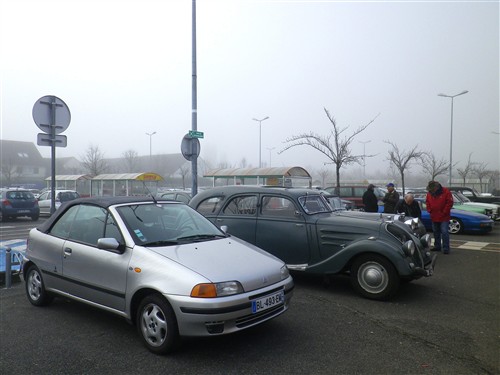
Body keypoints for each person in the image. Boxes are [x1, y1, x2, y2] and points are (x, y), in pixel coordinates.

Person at [426, 180, 453, 254]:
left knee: (444, 232)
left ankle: (446, 248)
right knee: (435, 232)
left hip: (444, 217)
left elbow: (449, 203)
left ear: (437, 187)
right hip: (434, 215)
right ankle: (437, 246)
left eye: (432, 189)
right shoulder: (429, 193)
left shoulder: (446, 191)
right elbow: (427, 202)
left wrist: (444, 212)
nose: (431, 190)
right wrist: (429, 210)